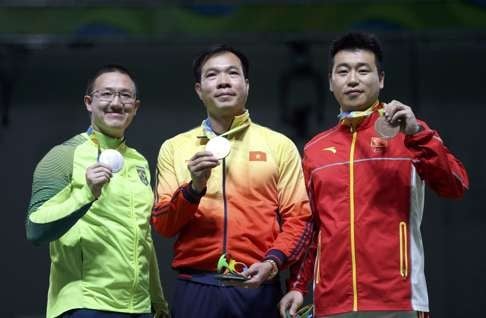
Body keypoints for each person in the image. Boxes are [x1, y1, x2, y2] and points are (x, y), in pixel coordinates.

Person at [279, 32, 469, 318]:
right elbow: (311, 227)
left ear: (381, 79)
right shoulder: (315, 150)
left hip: (399, 299)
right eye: (343, 71)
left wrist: (418, 134)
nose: (352, 79)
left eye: (362, 70)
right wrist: (297, 285)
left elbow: (455, 185)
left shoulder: (411, 134)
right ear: (331, 83)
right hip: (332, 302)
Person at [151, 44, 312, 317]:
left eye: (232, 73)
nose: (224, 81)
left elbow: (299, 219)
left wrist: (273, 263)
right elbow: (163, 225)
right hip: (196, 286)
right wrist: (193, 189)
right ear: (199, 90)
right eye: (212, 75)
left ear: (246, 85)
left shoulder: (279, 145)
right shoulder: (175, 147)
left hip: (259, 283)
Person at [26, 65, 169, 318]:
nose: (116, 103)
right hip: (86, 305)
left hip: (139, 307)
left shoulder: (139, 162)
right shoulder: (62, 156)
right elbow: (35, 229)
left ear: (135, 107)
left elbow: (143, 238)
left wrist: (157, 301)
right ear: (89, 102)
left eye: (125, 96)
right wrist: (86, 194)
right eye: (106, 94)